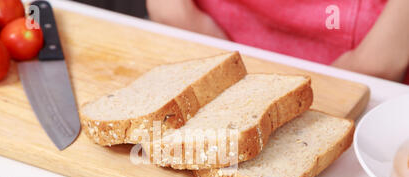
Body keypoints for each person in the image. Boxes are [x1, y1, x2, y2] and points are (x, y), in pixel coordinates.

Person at [146, 0, 409, 83]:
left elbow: (379, 63)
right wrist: (177, 16)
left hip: (370, 60)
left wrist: (374, 63)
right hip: (201, 29)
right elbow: (171, 11)